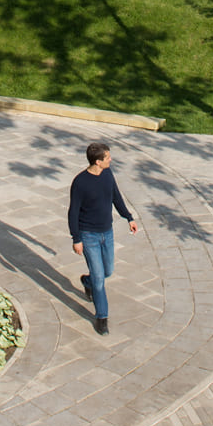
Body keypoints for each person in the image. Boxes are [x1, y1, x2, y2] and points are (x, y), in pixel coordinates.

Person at [68, 142, 140, 336]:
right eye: (107, 157)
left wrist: (129, 217)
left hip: (107, 233)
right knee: (100, 279)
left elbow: (116, 197)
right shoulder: (80, 182)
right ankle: (102, 317)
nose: (111, 159)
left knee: (108, 271)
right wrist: (76, 239)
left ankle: (87, 281)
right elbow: (73, 212)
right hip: (88, 235)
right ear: (97, 162)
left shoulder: (107, 174)